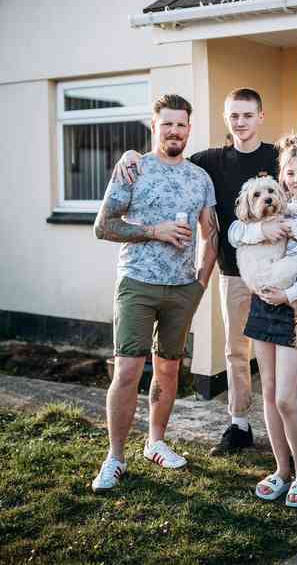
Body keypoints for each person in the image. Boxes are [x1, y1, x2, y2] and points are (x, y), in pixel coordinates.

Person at [112, 88, 290, 456]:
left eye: (247, 115)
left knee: (284, 348)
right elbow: (166, 157)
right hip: (233, 271)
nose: (240, 122)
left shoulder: (279, 157)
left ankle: (291, 424)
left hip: (279, 269)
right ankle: (239, 424)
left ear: (261, 116)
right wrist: (131, 154)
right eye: (234, 116)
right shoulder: (210, 160)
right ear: (226, 119)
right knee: (237, 352)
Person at [91, 94, 218, 492]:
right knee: (128, 370)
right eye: (167, 124)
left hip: (182, 289)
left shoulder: (199, 178)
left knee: (168, 369)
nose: (174, 131)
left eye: (181, 124)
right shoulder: (134, 168)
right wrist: (153, 230)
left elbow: (210, 233)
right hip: (137, 284)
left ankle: (156, 442)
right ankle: (115, 458)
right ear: (155, 126)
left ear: (189, 129)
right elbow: (103, 226)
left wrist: (200, 283)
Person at [229, 135, 297, 508]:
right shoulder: (282, 205)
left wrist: (289, 295)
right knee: (270, 393)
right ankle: (280, 470)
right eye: (289, 172)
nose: (296, 178)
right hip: (264, 304)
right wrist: (258, 231)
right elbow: (234, 232)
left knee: (287, 399)